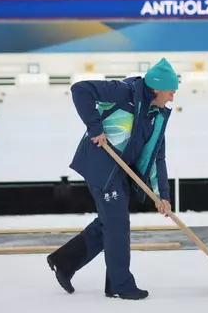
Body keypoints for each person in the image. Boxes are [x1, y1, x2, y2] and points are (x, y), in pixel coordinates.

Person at [47, 57, 178, 300]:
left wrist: (164, 196)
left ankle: (64, 262)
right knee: (117, 223)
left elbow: (158, 157)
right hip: (102, 164)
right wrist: (95, 127)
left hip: (123, 172)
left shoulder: (157, 115)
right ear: (157, 88)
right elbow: (80, 90)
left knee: (109, 222)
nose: (172, 98)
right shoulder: (124, 92)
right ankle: (120, 284)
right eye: (171, 92)